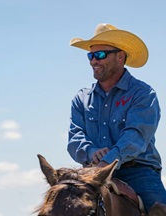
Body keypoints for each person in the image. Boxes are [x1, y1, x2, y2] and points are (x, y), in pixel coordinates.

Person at [67, 23, 166, 213]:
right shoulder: (81, 98)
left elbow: (136, 135)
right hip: (91, 173)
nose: (93, 61)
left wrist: (108, 161)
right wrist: (90, 151)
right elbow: (74, 138)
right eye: (91, 55)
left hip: (138, 172)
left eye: (100, 55)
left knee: (160, 208)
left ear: (120, 57)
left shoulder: (143, 94)